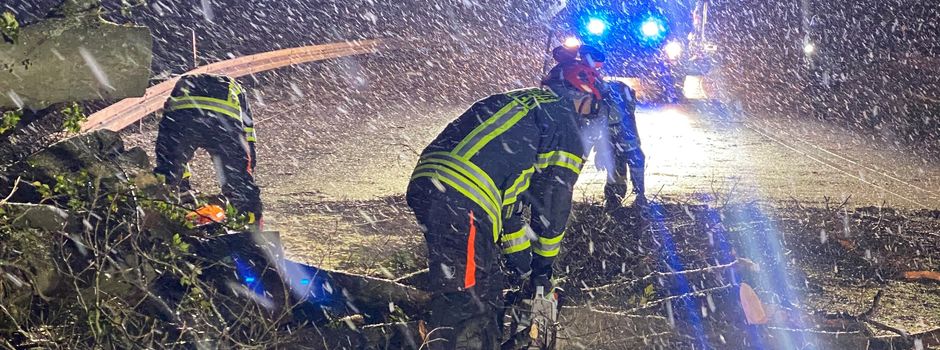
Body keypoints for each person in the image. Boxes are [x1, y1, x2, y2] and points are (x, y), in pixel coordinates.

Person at [406, 61, 603, 349]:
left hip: (430, 185)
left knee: (485, 290)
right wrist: (542, 272)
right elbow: (553, 209)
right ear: (582, 98)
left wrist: (523, 266)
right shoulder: (565, 123)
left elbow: (508, 213)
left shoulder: (518, 104)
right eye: (591, 108)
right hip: (465, 198)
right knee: (468, 299)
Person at [153, 73, 263, 230]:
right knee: (240, 186)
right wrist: (247, 167)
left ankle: (161, 225)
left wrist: (180, 185)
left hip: (183, 120)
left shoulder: (183, 83)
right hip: (222, 124)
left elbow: (169, 138)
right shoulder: (236, 88)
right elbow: (248, 131)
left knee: (167, 175)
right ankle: (252, 231)